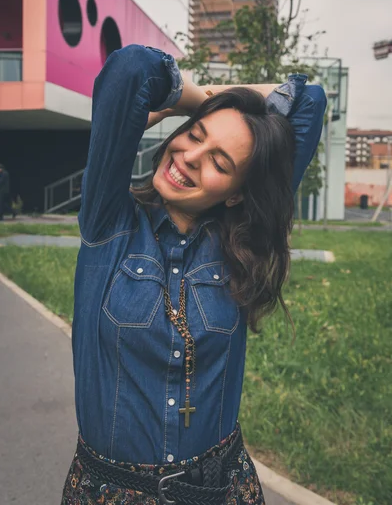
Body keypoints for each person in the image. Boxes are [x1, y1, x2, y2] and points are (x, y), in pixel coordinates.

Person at [61, 45, 326, 505]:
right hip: (110, 492)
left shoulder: (239, 250)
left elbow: (310, 101)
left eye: (221, 163)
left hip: (223, 489)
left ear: (237, 195)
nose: (189, 156)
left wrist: (222, 115)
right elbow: (131, 71)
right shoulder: (109, 224)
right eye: (195, 135)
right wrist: (203, 100)